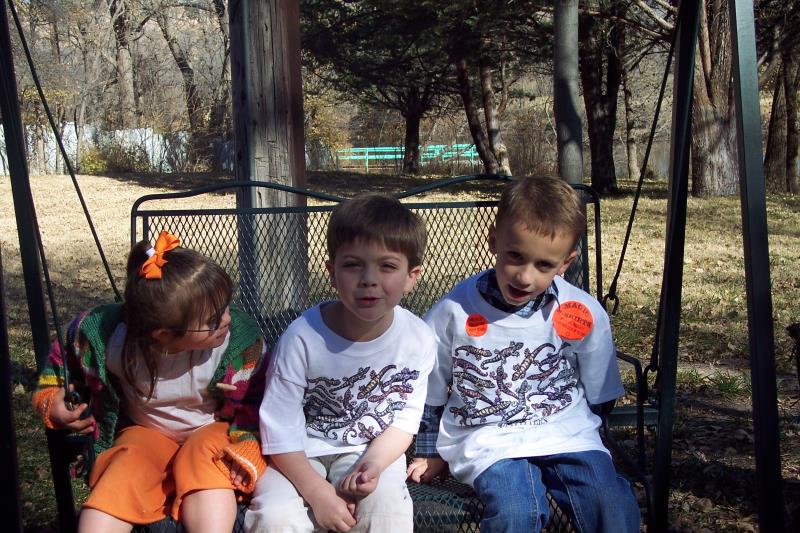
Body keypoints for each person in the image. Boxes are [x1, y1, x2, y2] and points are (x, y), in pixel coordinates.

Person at [407, 176, 640, 533]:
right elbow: (429, 386)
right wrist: (430, 450)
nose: (525, 277)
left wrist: (586, 434)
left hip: (565, 430)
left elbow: (599, 393)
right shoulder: (453, 312)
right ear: (493, 241)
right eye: (515, 256)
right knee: (517, 511)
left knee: (610, 502)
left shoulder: (580, 312)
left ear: (565, 263)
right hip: (488, 436)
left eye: (544, 265)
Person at [32, 231, 269, 533]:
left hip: (211, 430)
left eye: (225, 306)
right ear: (164, 335)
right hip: (145, 431)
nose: (226, 319)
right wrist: (51, 401)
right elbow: (60, 365)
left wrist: (249, 442)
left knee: (208, 467)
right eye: (212, 321)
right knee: (123, 472)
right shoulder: (105, 337)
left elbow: (260, 400)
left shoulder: (238, 344)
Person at [245, 194, 436, 533]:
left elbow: (404, 421)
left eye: (387, 266)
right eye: (353, 265)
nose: (369, 279)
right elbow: (279, 429)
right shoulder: (303, 338)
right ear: (331, 273)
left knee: (387, 510)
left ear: (411, 276)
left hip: (371, 449)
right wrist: (318, 494)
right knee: (275, 517)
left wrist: (373, 464)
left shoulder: (418, 339)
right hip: (298, 455)